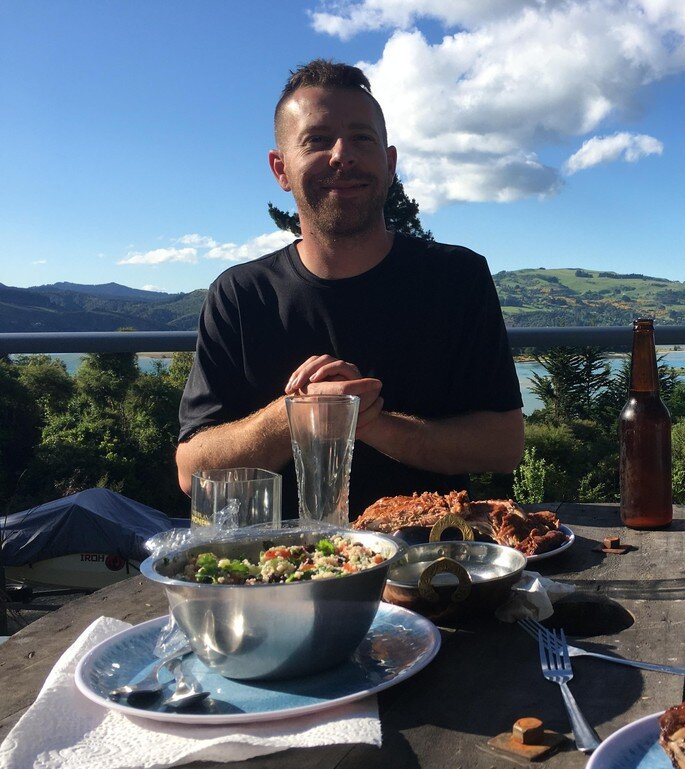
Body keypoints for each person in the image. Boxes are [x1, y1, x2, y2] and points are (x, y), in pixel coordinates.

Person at [176, 59, 525, 517]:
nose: (343, 154)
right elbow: (192, 471)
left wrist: (369, 422)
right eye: (317, 140)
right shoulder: (240, 295)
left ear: (390, 162)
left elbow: (503, 446)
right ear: (280, 169)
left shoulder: (457, 278)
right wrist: (297, 414)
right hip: (283, 567)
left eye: (363, 138)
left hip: (433, 561)